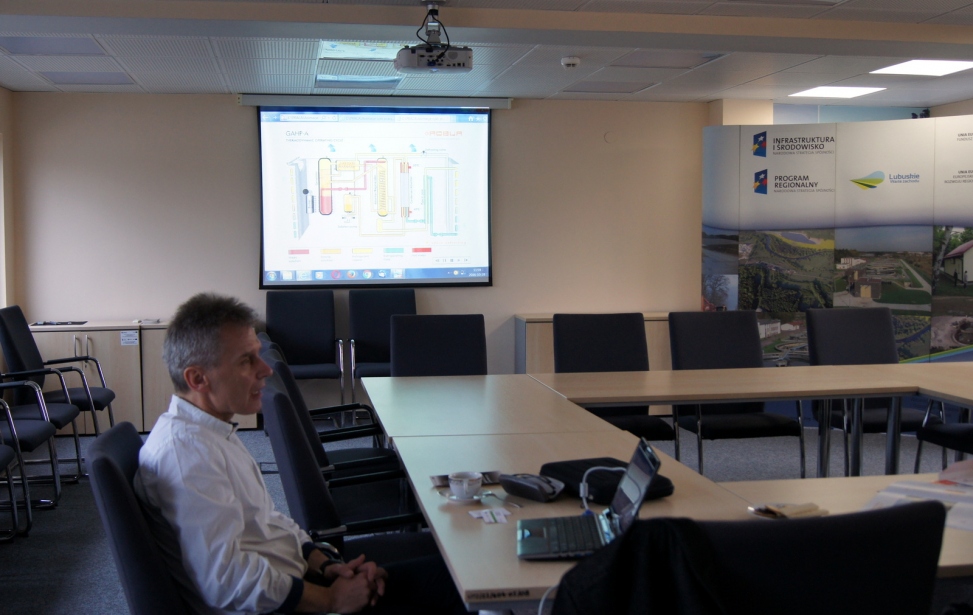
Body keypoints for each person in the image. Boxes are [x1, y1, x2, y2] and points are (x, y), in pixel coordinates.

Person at [134, 293, 467, 614]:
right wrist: (331, 599)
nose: (265, 370)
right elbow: (227, 581)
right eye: (246, 361)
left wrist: (328, 566)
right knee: (464, 585)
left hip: (298, 581)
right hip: (287, 604)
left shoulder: (210, 431)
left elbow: (268, 523)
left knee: (452, 578)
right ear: (197, 378)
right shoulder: (186, 455)